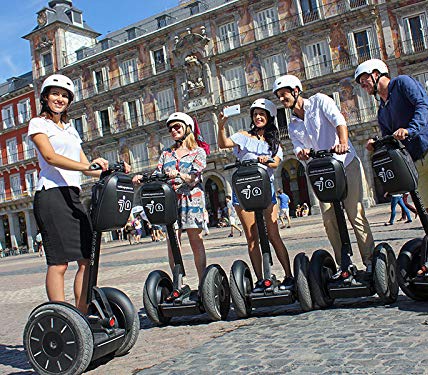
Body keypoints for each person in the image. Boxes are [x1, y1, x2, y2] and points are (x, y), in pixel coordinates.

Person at [356, 58, 428, 273]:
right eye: (360, 83)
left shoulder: (402, 83)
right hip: (417, 156)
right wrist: (375, 144)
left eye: (363, 80)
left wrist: (410, 129)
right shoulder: (382, 110)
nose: (363, 85)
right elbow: (389, 137)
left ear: (376, 73)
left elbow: (423, 106)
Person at [28, 74, 128, 313]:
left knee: (86, 260)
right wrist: (87, 166)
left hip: (72, 197)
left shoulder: (71, 129)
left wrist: (111, 170)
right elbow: (51, 157)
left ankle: (80, 316)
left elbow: (87, 166)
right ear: (45, 97)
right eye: (55, 93)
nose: (59, 99)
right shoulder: (38, 124)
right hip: (51, 196)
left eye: (64, 96)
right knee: (59, 263)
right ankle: (61, 316)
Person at [273, 75, 375, 276]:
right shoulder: (292, 124)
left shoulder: (320, 101)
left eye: (284, 94)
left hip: (345, 163)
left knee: (355, 213)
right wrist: (301, 152)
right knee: (329, 219)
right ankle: (344, 265)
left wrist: (343, 143)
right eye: (279, 96)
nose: (281, 99)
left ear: (295, 90)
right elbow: (297, 146)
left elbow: (339, 120)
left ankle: (370, 261)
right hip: (321, 171)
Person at [217, 98, 294, 291]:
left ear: (269, 117)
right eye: (255, 114)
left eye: (262, 114)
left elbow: (276, 162)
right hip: (243, 189)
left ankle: (289, 275)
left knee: (273, 234)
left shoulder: (274, 143)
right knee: (252, 237)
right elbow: (224, 143)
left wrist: (266, 160)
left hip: (265, 188)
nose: (258, 117)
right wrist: (221, 125)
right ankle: (261, 280)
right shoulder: (243, 135)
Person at [133, 112, 207, 298]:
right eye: (171, 128)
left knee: (195, 240)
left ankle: (203, 283)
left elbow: (193, 178)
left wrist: (179, 174)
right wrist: (142, 177)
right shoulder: (167, 153)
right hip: (170, 199)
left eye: (177, 127)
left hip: (191, 198)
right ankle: (178, 284)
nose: (173, 131)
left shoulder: (198, 151)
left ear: (187, 128)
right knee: (173, 241)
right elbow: (158, 173)